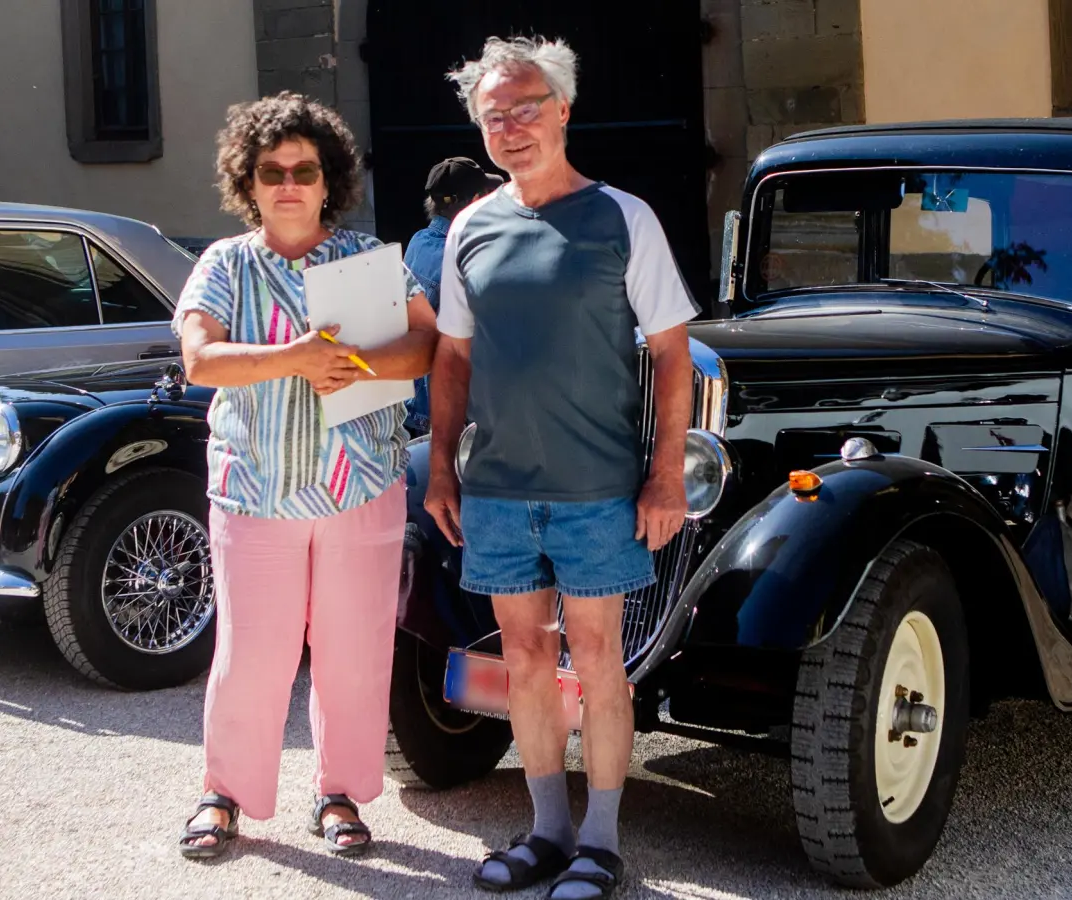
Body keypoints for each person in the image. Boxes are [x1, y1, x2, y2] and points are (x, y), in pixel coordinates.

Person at [424, 35, 698, 898]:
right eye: (494, 115)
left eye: (527, 107)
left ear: (565, 110)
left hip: (597, 488)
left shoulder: (625, 217)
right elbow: (453, 362)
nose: (511, 126)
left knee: (598, 654)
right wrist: (440, 468)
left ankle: (602, 843)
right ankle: (547, 830)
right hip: (499, 488)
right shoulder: (470, 225)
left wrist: (664, 477)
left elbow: (672, 356)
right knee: (525, 658)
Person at [172, 91, 438, 860]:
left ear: (330, 180)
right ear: (247, 183)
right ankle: (224, 793)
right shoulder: (225, 263)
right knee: (252, 651)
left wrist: (353, 364)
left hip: (362, 487)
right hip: (257, 489)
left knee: (355, 651)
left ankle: (339, 793)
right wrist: (295, 357)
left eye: (304, 169)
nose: (288, 183)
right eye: (270, 170)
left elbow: (424, 348)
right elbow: (198, 358)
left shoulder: (366, 259)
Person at [403, 157, 504, 432]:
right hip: (446, 418)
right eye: (486, 197)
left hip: (414, 407)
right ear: (474, 202)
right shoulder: (465, 260)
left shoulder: (418, 241)